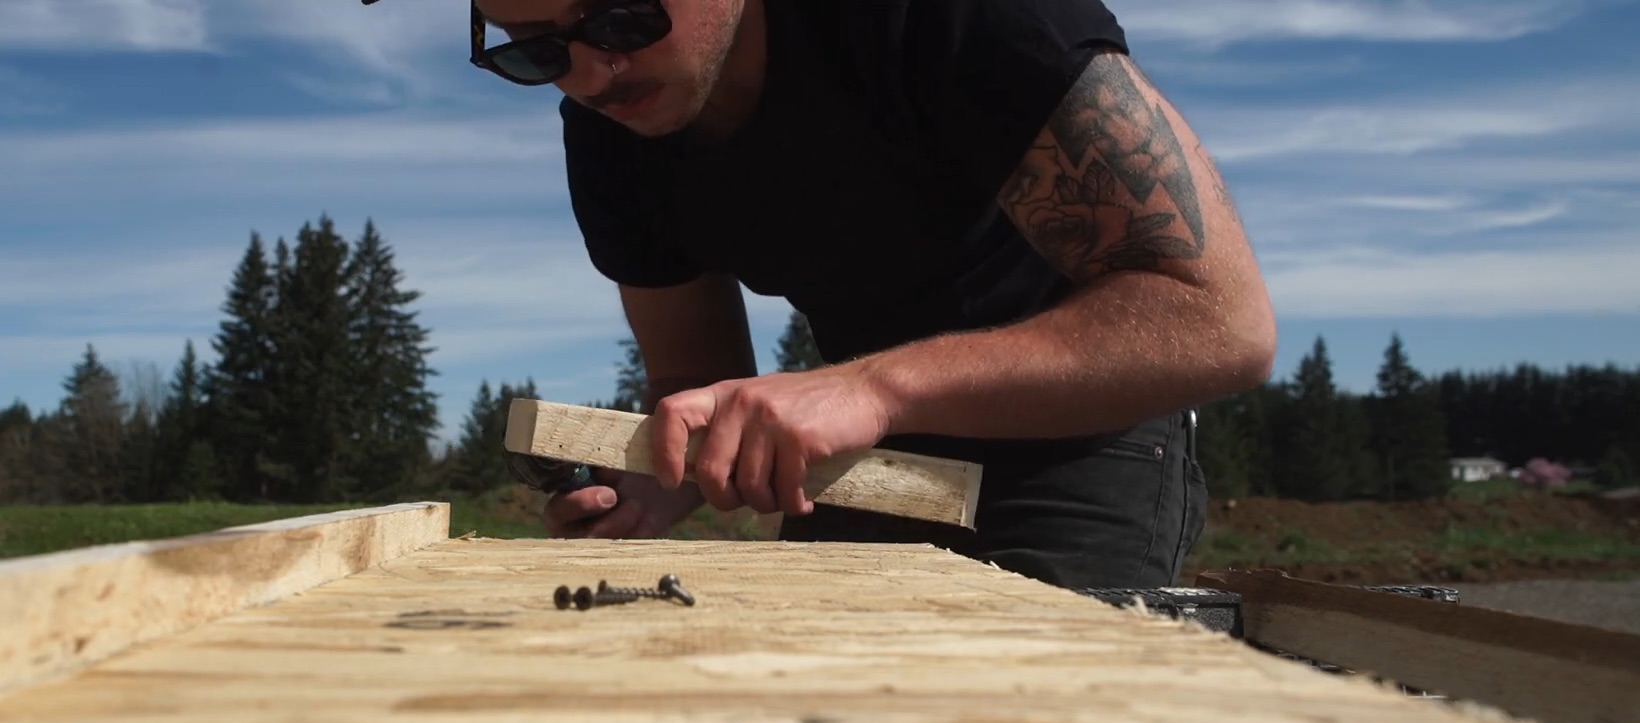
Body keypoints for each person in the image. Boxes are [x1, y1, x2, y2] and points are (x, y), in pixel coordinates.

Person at [466, 0, 1277, 589]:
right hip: (857, 459)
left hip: (1080, 439)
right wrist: (656, 479)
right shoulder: (610, 123)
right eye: (534, 51)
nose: (591, 74)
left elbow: (1216, 318)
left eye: (625, 18)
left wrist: (870, 388)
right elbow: (694, 377)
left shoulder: (962, 18)